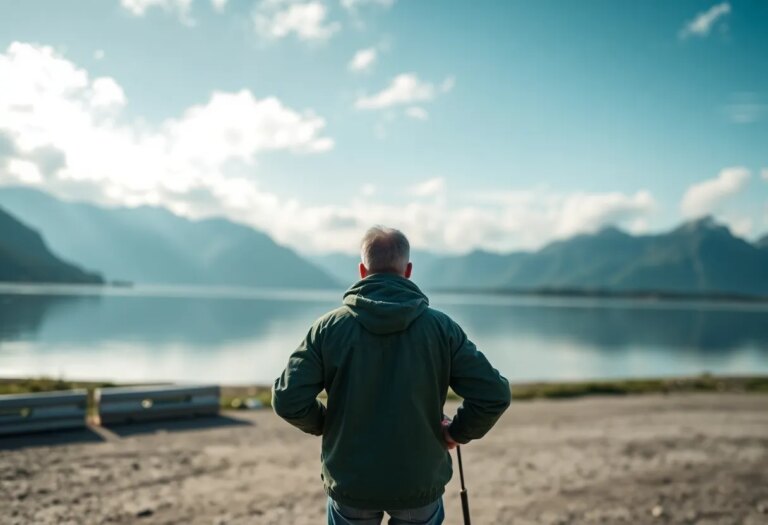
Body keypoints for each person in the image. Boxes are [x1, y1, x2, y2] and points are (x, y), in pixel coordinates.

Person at [272, 225, 511, 525]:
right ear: (408, 270)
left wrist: (324, 422)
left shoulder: (328, 328)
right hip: (418, 483)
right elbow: (494, 394)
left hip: (351, 483)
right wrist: (456, 432)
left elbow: (287, 399)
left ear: (362, 270)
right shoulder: (441, 328)